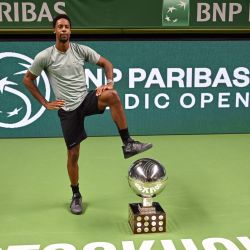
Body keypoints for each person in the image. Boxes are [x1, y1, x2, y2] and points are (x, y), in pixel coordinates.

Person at [23, 14, 152, 215]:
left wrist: (109, 82)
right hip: (67, 109)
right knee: (73, 155)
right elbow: (28, 80)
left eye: (66, 26)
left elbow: (106, 64)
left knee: (112, 95)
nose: (63, 29)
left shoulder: (80, 50)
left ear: (70, 31)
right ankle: (76, 194)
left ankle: (128, 143)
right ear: (54, 31)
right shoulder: (45, 57)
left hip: (85, 99)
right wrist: (44, 102)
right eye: (60, 27)